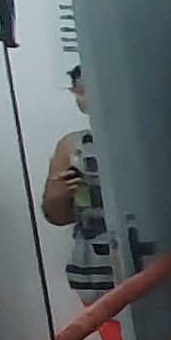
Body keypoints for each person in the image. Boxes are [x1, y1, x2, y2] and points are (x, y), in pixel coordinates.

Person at [35, 68, 119, 304]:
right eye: (79, 89)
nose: (85, 95)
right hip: (97, 273)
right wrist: (58, 194)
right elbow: (57, 216)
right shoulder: (73, 145)